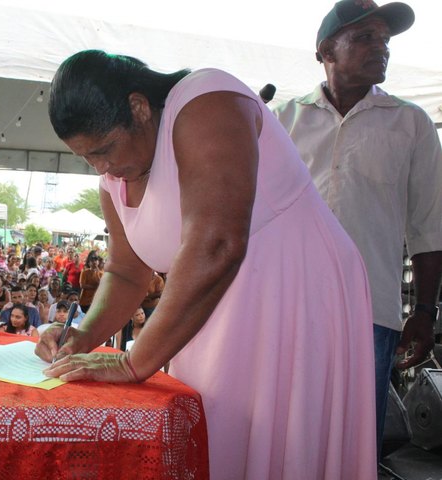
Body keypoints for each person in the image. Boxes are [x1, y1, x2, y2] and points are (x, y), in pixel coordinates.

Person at [36, 50, 376, 479]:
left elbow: (218, 243)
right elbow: (126, 272)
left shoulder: (205, 98)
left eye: (104, 149)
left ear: (139, 108)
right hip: (208, 312)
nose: (102, 167)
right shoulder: (112, 181)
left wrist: (132, 361)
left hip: (293, 299)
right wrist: (81, 338)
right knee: (218, 449)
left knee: (283, 451)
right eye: (87, 158)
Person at [273, 0, 442, 459]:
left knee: (353, 440)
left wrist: (424, 311)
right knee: (283, 429)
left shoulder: (411, 124)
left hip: (369, 310)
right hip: (287, 304)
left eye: (385, 40)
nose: (381, 49)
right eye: (365, 37)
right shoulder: (281, 121)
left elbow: (429, 227)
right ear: (326, 50)